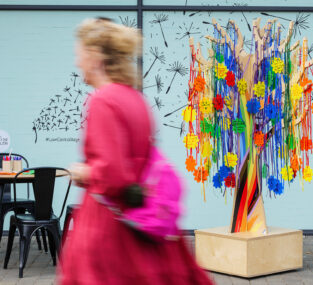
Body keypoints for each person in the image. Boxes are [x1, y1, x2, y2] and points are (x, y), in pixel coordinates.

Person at [59, 18, 213, 285]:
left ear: (95, 56)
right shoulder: (134, 99)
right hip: (141, 219)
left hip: (109, 225)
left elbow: (113, 175)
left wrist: (84, 172)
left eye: (79, 53)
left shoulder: (102, 100)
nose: (76, 62)